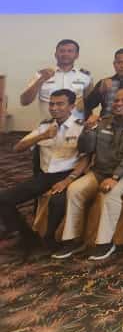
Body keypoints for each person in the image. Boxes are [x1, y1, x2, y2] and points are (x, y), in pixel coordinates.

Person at [52, 87, 123, 261]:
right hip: (100, 171)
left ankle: (104, 243)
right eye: (116, 100)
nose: (119, 104)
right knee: (75, 189)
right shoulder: (103, 121)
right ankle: (72, 240)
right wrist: (88, 130)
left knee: (111, 193)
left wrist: (115, 177)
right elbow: (86, 148)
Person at [0, 89, 87, 254]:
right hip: (45, 176)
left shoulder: (80, 127)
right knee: (3, 198)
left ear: (71, 106)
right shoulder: (45, 126)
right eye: (51, 104)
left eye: (60, 104)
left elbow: (85, 159)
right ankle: (26, 235)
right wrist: (42, 136)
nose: (54, 108)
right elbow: (17, 147)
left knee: (57, 201)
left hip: (68, 174)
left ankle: (50, 239)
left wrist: (68, 180)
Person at [20, 39, 91, 119]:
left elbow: (89, 104)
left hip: (76, 125)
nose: (65, 54)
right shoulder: (42, 74)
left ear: (77, 55)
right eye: (62, 51)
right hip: (48, 124)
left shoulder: (85, 77)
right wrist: (40, 80)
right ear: (55, 54)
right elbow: (24, 101)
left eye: (70, 51)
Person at [84, 48, 123, 120]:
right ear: (114, 64)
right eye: (119, 62)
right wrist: (99, 92)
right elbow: (87, 106)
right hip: (106, 123)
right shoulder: (104, 82)